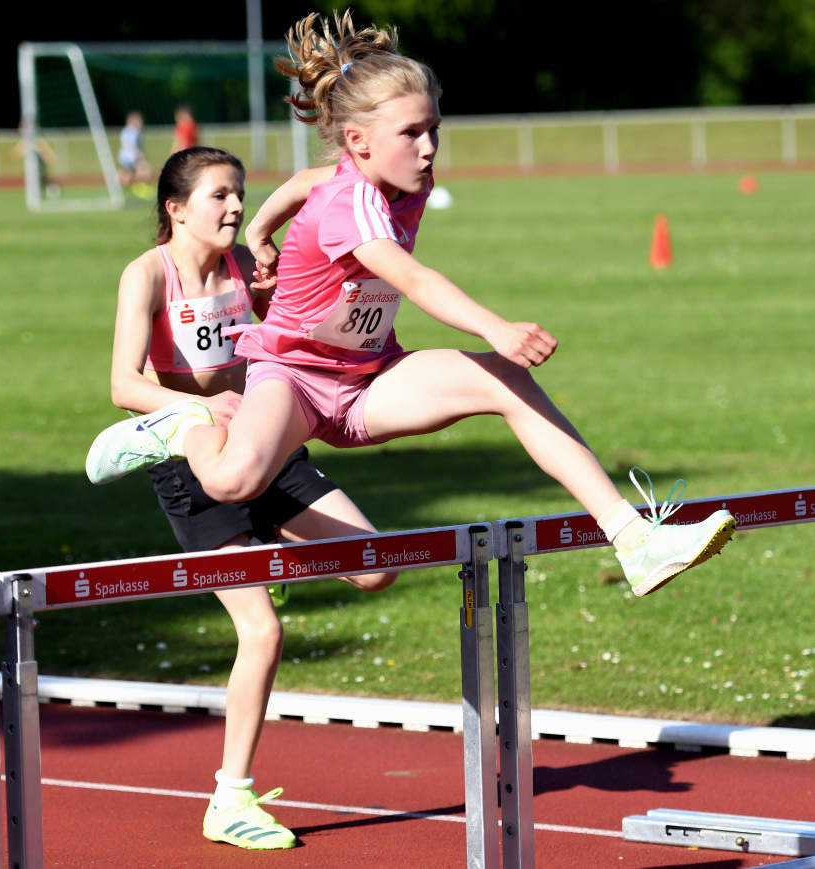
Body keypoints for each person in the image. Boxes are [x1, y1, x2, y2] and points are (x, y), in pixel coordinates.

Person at [88, 11, 735, 600]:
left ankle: (633, 538)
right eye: (411, 134)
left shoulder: (390, 180)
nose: (428, 149)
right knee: (232, 481)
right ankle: (180, 429)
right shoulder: (350, 202)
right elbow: (412, 278)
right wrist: (494, 325)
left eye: (434, 130)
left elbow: (299, 183)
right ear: (359, 141)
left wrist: (259, 231)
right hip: (294, 379)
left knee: (506, 380)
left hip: (369, 378)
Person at [105, 145, 397, 850]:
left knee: (375, 565)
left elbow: (282, 331)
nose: (236, 207)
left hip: (265, 448)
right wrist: (209, 409)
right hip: (194, 461)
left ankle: (267, 551)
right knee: (262, 630)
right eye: (219, 197)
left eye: (240, 194)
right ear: (175, 209)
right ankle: (229, 799)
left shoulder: (244, 267)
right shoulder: (147, 274)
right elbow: (122, 384)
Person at [117, 110, 152, 192]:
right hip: (132, 157)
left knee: (127, 175)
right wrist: (141, 158)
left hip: (124, 157)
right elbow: (134, 146)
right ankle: (141, 189)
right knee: (145, 170)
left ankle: (121, 188)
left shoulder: (125, 130)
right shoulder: (133, 131)